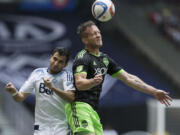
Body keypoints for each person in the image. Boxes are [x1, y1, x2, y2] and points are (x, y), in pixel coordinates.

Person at [65, 20, 172, 135]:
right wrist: (92, 81)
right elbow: (79, 83)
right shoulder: (83, 58)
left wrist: (154, 91)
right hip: (79, 107)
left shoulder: (104, 59)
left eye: (98, 32)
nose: (98, 35)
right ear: (85, 40)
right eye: (93, 33)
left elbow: (129, 78)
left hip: (92, 111)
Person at [5, 47, 75, 135]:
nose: (56, 63)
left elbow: (71, 97)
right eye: (55, 59)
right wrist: (13, 92)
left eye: (61, 62)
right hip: (41, 127)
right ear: (50, 57)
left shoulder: (67, 76)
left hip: (61, 127)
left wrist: (52, 88)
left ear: (65, 65)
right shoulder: (37, 73)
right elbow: (20, 98)